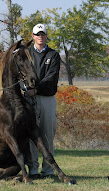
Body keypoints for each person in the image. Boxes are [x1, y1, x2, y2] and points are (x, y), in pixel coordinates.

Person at [24, 23, 61, 179]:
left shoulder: (53, 55)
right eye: (37, 34)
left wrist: (36, 89)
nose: (40, 36)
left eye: (43, 34)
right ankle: (32, 168)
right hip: (29, 99)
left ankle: (48, 169)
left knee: (47, 135)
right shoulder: (26, 54)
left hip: (47, 99)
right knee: (32, 134)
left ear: (46, 36)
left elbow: (51, 78)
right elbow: (21, 74)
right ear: (32, 36)